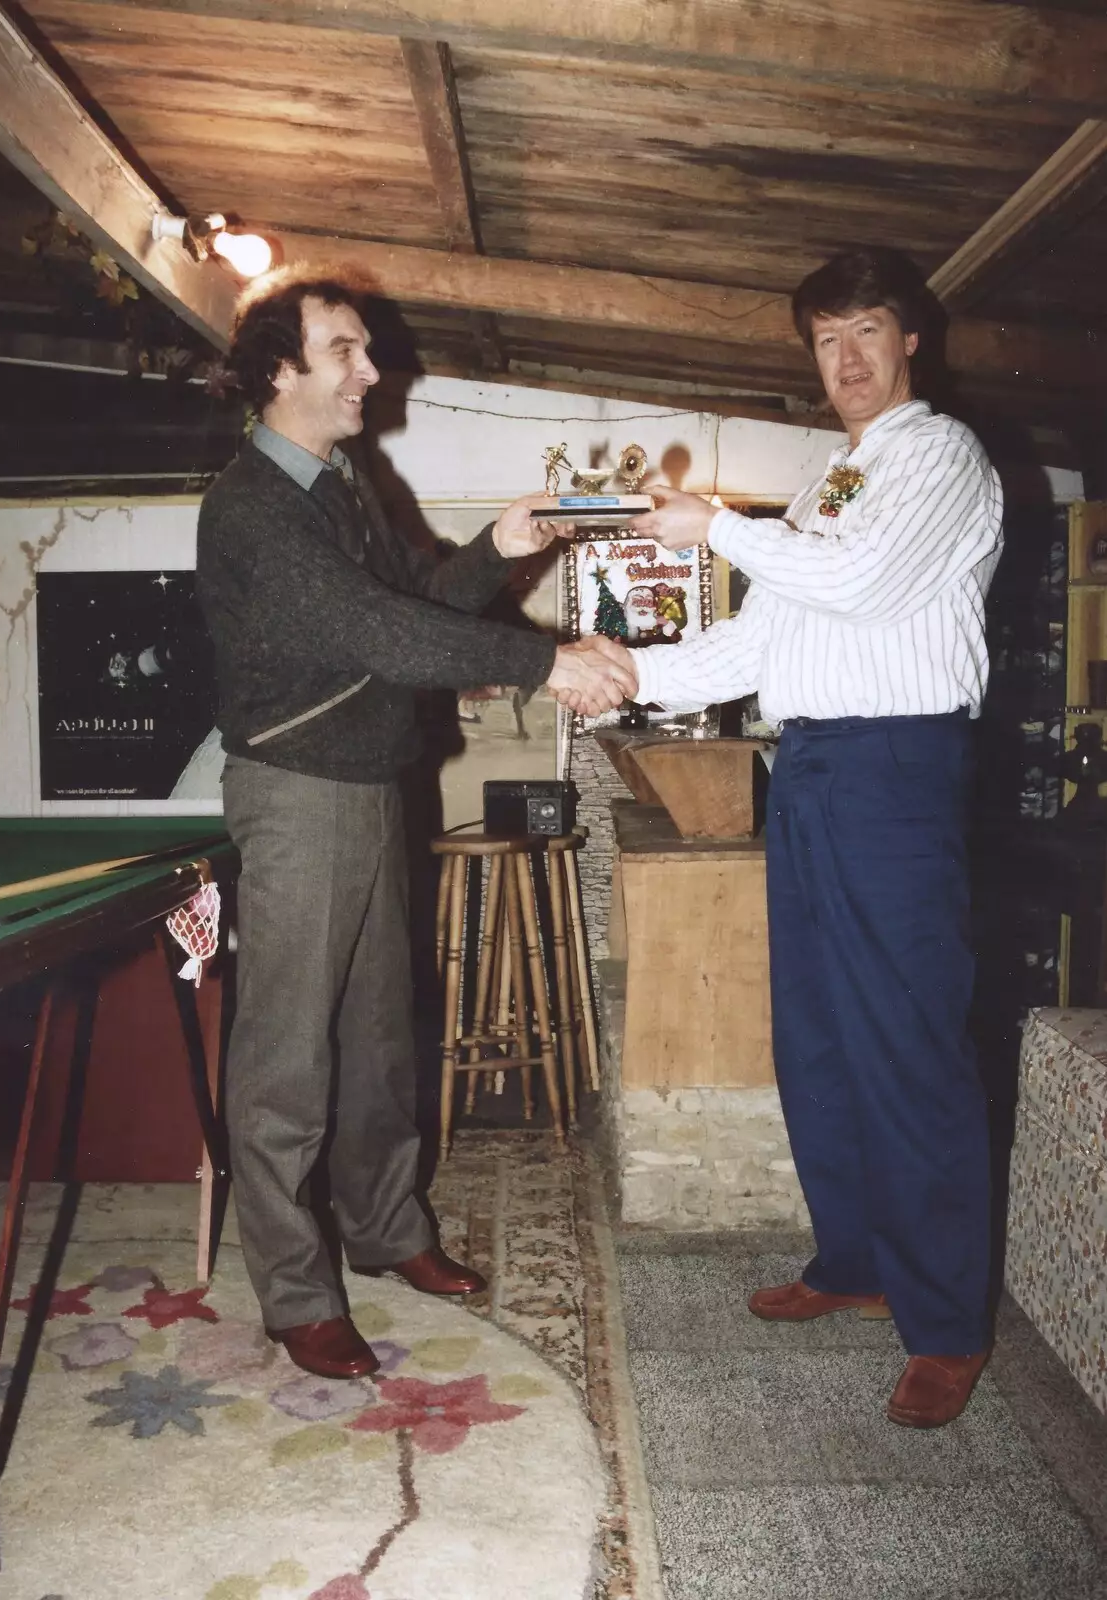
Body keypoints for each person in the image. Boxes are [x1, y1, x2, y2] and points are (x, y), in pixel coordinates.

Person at [567, 247, 1004, 1429]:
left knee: (908, 1042)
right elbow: (756, 648)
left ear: (913, 338)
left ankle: (949, 1324)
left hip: (897, 769)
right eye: (826, 339)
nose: (848, 359)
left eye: (869, 331)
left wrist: (716, 524)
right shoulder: (835, 480)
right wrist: (618, 673)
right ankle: (856, 1259)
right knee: (816, 1035)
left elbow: (860, 588)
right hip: (811, 766)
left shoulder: (941, 457)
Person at [197, 270, 635, 1380]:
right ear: (277, 370)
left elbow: (424, 600)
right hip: (297, 793)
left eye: (365, 349)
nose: (370, 370)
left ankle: (389, 1232)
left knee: (382, 1035)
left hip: (372, 780)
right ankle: (297, 1294)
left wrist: (504, 538)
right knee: (286, 1060)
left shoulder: (344, 481)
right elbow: (374, 632)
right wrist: (546, 656)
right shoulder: (249, 502)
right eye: (343, 350)